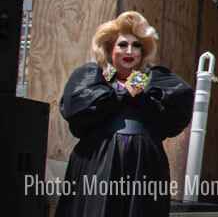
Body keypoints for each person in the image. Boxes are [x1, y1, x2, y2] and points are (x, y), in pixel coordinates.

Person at [56, 11, 194, 217]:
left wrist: (138, 91)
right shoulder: (93, 75)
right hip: (97, 161)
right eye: (122, 45)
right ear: (110, 48)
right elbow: (77, 107)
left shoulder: (154, 78)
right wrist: (122, 94)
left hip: (144, 164)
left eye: (136, 45)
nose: (129, 50)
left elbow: (177, 105)